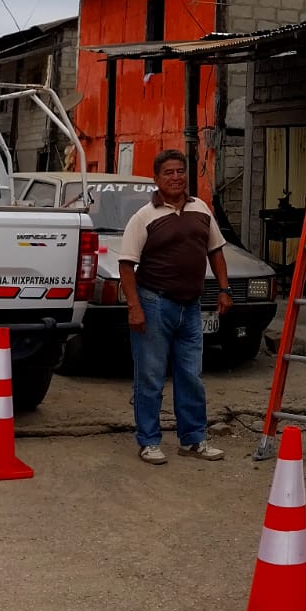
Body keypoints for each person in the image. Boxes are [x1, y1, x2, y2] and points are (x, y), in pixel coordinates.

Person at [117, 148, 231, 465]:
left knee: (191, 375)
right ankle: (149, 441)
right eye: (168, 172)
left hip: (191, 306)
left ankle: (193, 439)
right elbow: (126, 265)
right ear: (156, 179)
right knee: (150, 377)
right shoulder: (144, 217)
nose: (176, 177)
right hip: (154, 303)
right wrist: (134, 307)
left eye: (180, 171)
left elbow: (216, 251)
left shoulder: (201, 209)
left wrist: (224, 289)